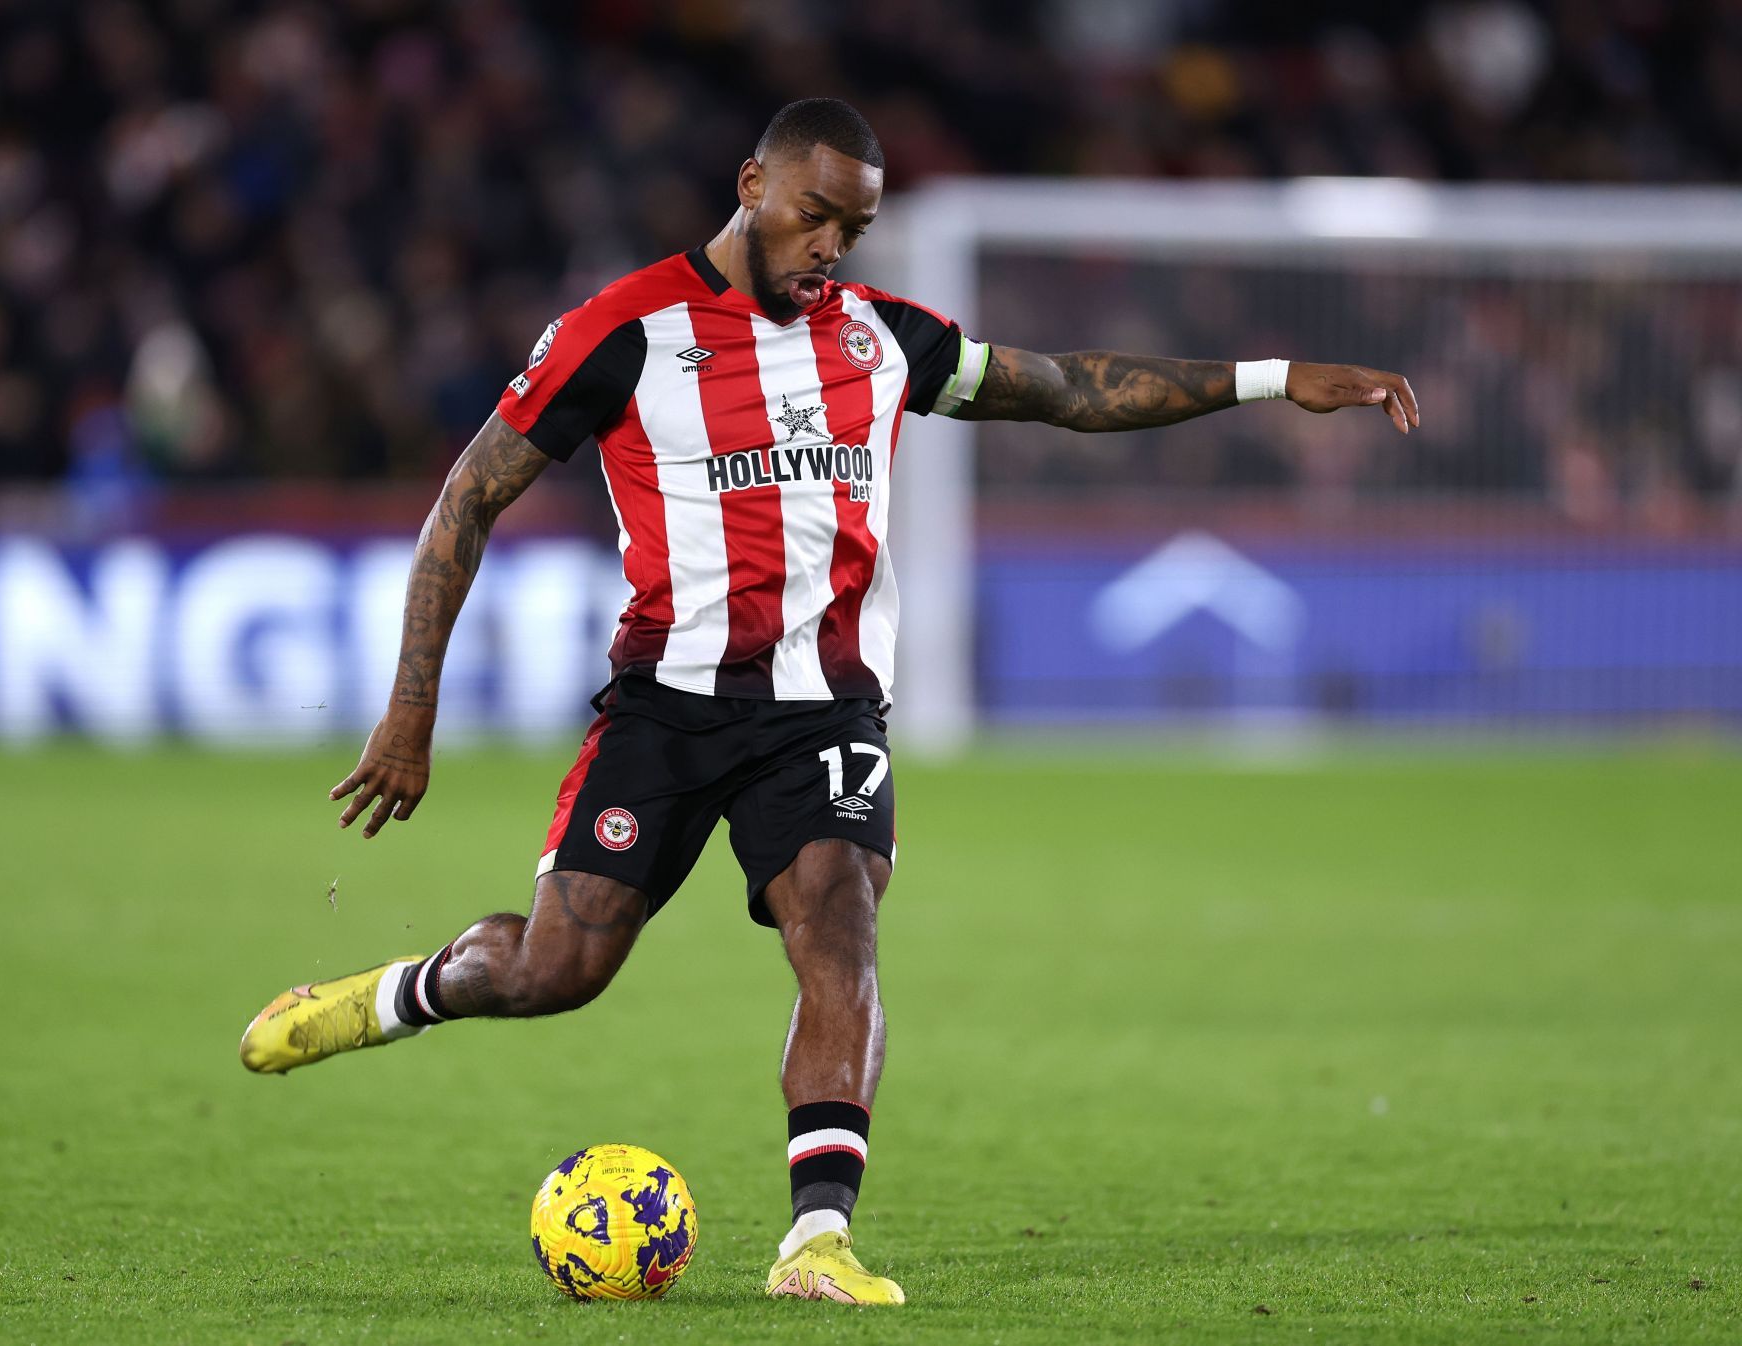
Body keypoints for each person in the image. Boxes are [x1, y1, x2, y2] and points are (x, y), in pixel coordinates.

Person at [238, 97, 1420, 1305]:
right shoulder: (623, 331)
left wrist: (1276, 379)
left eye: (852, 230)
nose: (829, 251)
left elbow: (1065, 386)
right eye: (814, 218)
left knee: (839, 922)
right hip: (667, 704)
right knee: (559, 969)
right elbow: (465, 500)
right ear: (752, 183)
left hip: (824, 711)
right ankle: (382, 998)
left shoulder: (880, 339)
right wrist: (409, 709)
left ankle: (817, 1239)